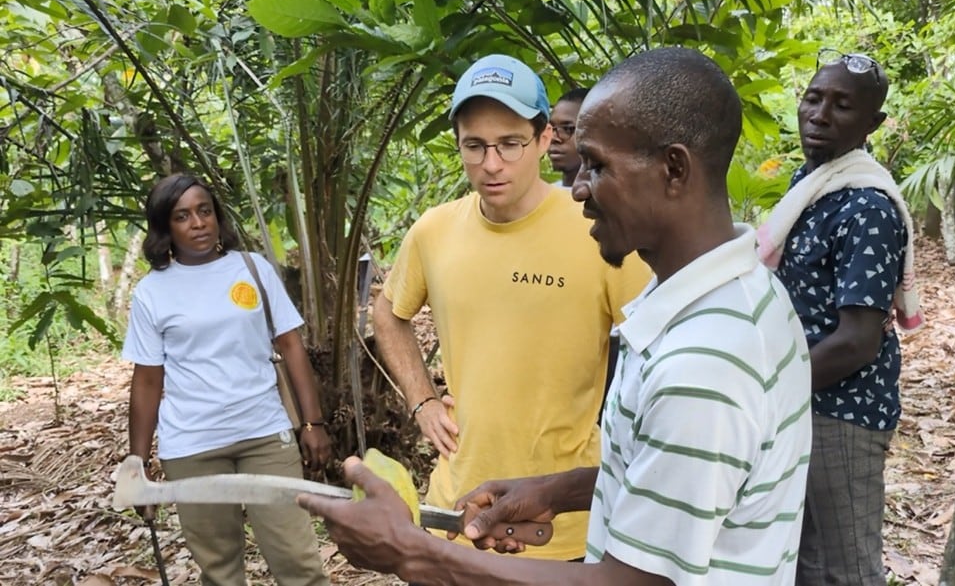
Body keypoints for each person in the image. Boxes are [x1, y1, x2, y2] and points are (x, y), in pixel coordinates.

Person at [301, 47, 813, 585]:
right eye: (475, 145)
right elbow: (679, 477)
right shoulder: (738, 296)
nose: (581, 188)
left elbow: (632, 583)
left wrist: (411, 554)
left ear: (674, 169)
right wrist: (557, 490)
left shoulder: (704, 364)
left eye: (597, 165)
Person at [370, 53, 649, 562]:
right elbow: (388, 313)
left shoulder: (598, 229)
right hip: (456, 509)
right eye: (474, 146)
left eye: (510, 143)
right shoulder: (434, 231)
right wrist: (423, 401)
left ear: (546, 140)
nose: (491, 163)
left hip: (559, 520)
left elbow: (659, 345)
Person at [755, 50, 923, 586]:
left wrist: (766, 389)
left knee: (846, 569)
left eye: (841, 105)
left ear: (872, 124)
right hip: (798, 405)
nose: (820, 114)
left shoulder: (866, 207)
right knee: (803, 565)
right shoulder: (811, 186)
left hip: (839, 414)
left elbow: (856, 342)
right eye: (813, 97)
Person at [123, 174, 331, 586]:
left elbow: (291, 347)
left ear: (218, 217)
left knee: (299, 564)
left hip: (265, 433)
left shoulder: (252, 269)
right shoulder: (151, 293)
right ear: (166, 227)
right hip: (193, 446)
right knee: (220, 573)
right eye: (182, 216)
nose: (198, 223)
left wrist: (313, 423)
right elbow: (147, 381)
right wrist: (136, 462)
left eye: (205, 211)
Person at [548, 87, 589, 188]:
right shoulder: (540, 200)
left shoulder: (617, 201)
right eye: (551, 128)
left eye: (567, 129)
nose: (553, 138)